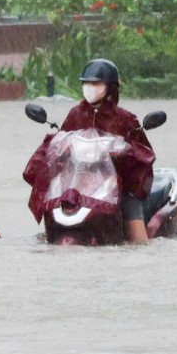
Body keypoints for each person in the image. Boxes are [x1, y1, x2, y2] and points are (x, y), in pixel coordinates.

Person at [55, 58, 154, 244]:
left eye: (96, 83)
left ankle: (141, 244)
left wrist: (125, 154)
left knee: (132, 213)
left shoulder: (125, 119)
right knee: (53, 206)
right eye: (87, 83)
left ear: (110, 87)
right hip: (80, 184)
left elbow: (143, 154)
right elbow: (61, 142)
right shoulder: (75, 114)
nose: (90, 87)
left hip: (116, 185)